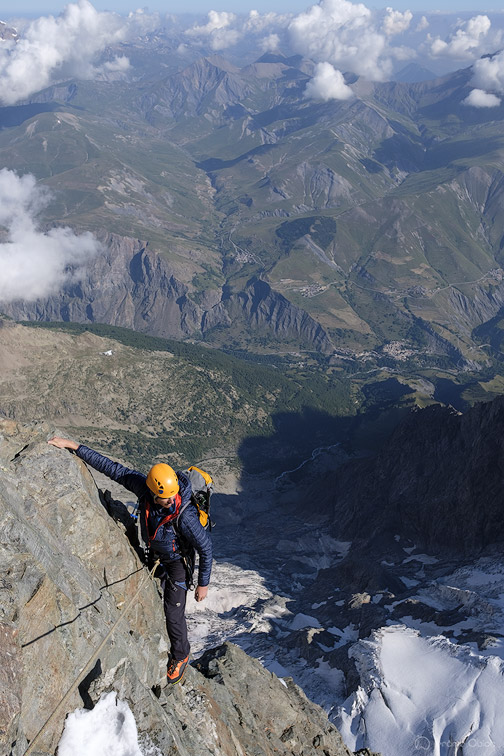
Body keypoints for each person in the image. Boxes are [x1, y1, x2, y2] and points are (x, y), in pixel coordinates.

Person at [47, 436, 212, 685]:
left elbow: (206, 548)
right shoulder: (145, 489)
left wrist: (203, 584)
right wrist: (75, 447)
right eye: (165, 498)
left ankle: (181, 655)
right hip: (157, 553)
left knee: (172, 611)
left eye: (171, 497)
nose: (170, 502)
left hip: (178, 564)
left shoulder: (185, 516)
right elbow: (114, 470)